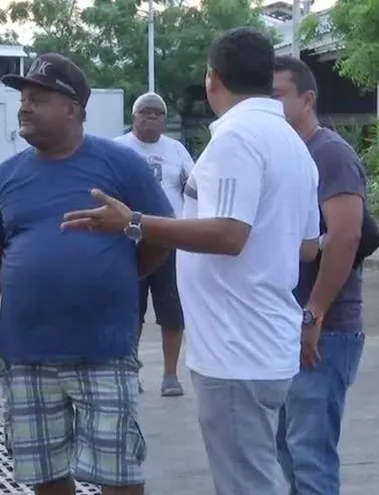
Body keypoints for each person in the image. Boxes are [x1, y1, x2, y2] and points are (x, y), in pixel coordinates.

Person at [62, 28, 321, 495]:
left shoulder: (238, 138)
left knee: (248, 483)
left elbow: (228, 234)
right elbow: (305, 246)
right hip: (264, 344)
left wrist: (134, 221)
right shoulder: (291, 142)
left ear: (212, 78)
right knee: (258, 473)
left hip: (237, 349)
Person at [0, 53, 173, 495]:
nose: (25, 106)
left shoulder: (121, 165)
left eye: (38, 98)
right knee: (45, 476)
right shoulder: (4, 177)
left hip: (103, 351)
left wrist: (119, 274)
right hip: (25, 356)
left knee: (118, 474)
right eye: (24, 98)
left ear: (74, 111)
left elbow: (161, 235)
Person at [272, 56, 367, 495]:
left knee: (309, 455)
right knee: (290, 450)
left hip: (324, 329)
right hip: (288, 325)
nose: (269, 106)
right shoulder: (284, 152)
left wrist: (315, 315)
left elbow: (346, 237)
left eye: (277, 96)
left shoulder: (329, 153)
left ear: (307, 99)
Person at [114, 92, 194, 397]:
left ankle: (170, 374)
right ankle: (129, 371)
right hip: (128, 241)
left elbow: (194, 187)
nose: (152, 117)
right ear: (133, 117)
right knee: (130, 310)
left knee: (172, 310)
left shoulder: (176, 151)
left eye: (158, 113)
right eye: (145, 112)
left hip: (169, 241)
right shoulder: (117, 149)